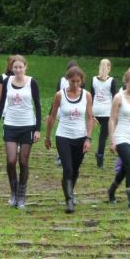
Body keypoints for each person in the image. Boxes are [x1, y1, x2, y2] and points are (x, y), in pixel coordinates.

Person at [0, 55, 42, 209]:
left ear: (25, 67)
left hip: (27, 125)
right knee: (11, 160)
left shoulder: (31, 82)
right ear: (11, 68)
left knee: (23, 161)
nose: (18, 70)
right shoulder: (7, 81)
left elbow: (38, 106)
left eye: (21, 67)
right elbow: (1, 104)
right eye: (15, 67)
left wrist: (38, 129)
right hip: (10, 125)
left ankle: (21, 195)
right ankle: (14, 193)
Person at [45, 66, 94, 214]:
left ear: (82, 81)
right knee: (67, 168)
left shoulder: (86, 95)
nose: (75, 84)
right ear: (67, 80)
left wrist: (88, 138)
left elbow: (90, 118)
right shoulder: (60, 95)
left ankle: (70, 193)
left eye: (78, 82)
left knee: (75, 169)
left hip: (80, 136)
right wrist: (47, 136)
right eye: (72, 81)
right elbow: (52, 116)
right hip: (63, 136)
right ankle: (69, 201)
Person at [106, 67, 130, 213]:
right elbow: (112, 120)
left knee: (125, 169)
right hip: (121, 136)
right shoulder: (119, 97)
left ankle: (111, 191)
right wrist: (112, 140)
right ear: (126, 83)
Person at [50, 60, 81, 166]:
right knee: (63, 133)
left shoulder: (71, 81)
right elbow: (56, 97)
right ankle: (61, 155)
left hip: (72, 111)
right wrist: (51, 113)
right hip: (63, 110)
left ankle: (64, 155)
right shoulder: (62, 81)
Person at [91, 59, 117, 169]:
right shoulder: (112, 81)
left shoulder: (93, 80)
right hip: (107, 111)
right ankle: (100, 160)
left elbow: (91, 96)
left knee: (87, 133)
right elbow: (115, 97)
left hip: (95, 110)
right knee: (102, 137)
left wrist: (90, 112)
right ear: (109, 67)